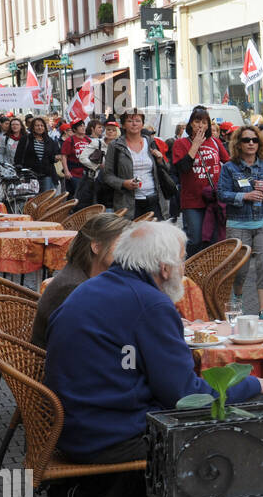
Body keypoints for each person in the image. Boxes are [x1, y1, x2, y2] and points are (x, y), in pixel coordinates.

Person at [45, 222, 263, 497]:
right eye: (182, 260)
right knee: (256, 414)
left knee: (234, 403)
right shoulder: (148, 302)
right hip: (109, 435)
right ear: (164, 268)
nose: (184, 268)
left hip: (77, 425)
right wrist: (254, 384)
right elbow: (185, 398)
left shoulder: (95, 287)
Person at [31, 212, 132, 346]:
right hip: (49, 360)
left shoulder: (86, 275)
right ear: (96, 247)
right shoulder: (73, 288)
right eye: (121, 245)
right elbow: (80, 342)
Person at [219, 124, 263, 315]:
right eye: (246, 140)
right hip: (238, 223)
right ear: (238, 144)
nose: (251, 143)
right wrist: (244, 196)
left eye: (255, 140)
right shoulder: (229, 168)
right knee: (239, 270)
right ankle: (237, 298)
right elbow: (221, 194)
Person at [171, 106, 230, 259]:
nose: (201, 125)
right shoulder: (180, 144)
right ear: (191, 123)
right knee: (195, 238)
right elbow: (182, 168)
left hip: (214, 199)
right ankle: (192, 269)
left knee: (214, 239)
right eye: (197, 121)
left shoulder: (215, 142)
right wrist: (195, 145)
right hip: (192, 201)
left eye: (204, 122)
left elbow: (229, 164)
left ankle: (211, 272)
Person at [103, 111, 178, 220]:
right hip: (128, 203)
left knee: (156, 235)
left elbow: (167, 168)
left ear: (142, 124)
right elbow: (107, 175)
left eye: (138, 121)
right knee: (132, 235)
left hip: (154, 200)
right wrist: (124, 183)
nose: (134, 124)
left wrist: (160, 160)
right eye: (129, 121)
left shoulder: (151, 142)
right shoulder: (115, 146)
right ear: (123, 125)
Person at [17, 117, 60, 193]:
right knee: (32, 199)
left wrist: (56, 158)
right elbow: (18, 156)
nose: (40, 127)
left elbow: (52, 158)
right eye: (37, 125)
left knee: (45, 199)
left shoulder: (50, 141)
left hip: (46, 175)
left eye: (42, 125)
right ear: (32, 127)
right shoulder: (25, 139)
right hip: (30, 175)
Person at [60, 118, 91, 203]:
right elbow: (64, 156)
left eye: (84, 125)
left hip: (86, 173)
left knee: (85, 196)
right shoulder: (69, 140)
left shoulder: (88, 140)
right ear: (74, 129)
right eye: (80, 126)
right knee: (75, 196)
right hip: (73, 173)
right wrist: (66, 171)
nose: (83, 127)